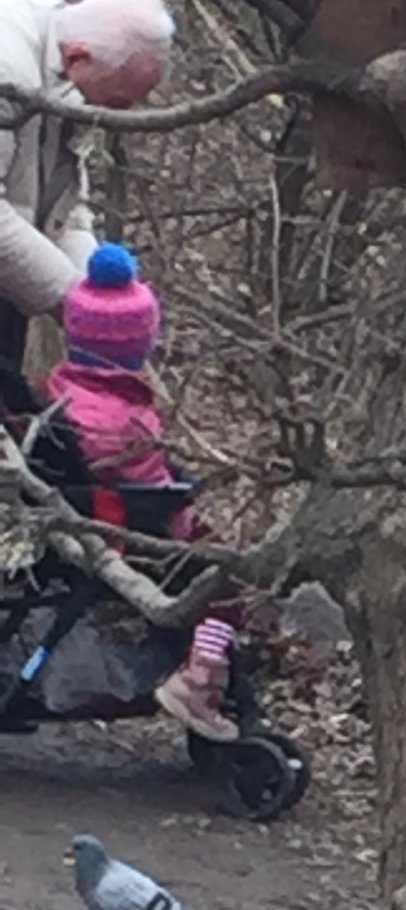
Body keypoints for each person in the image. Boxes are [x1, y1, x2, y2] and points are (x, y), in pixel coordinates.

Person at [46, 241, 241, 743]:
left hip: (102, 517)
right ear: (139, 343)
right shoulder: (123, 417)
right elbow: (151, 487)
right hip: (129, 530)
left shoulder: (60, 391)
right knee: (230, 580)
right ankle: (197, 677)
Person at [0, 0, 176, 369]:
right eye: (114, 101)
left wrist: (99, 293)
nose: (119, 114)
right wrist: (76, 302)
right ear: (78, 58)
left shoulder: (68, 61)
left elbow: (67, 202)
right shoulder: (8, 65)